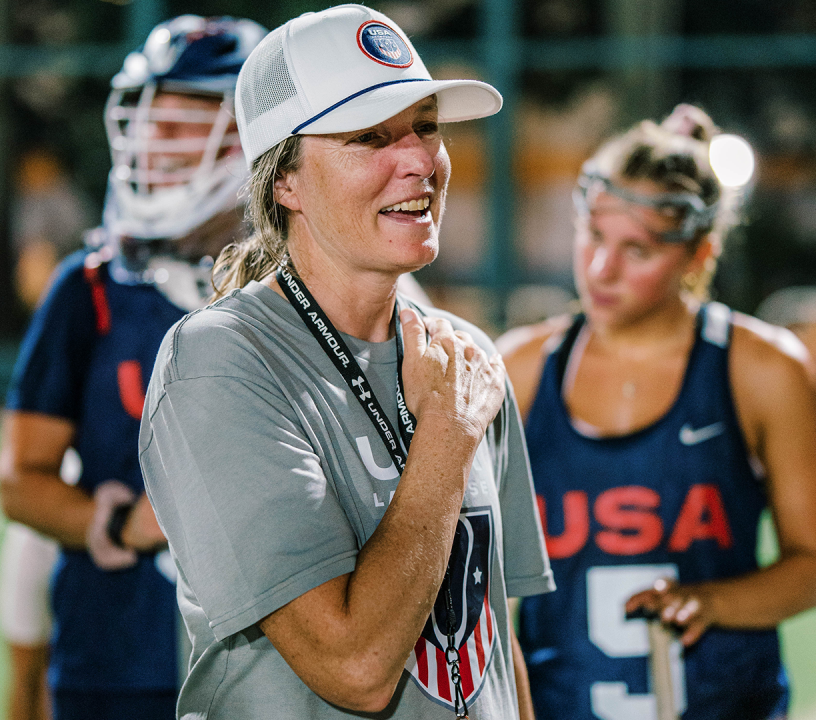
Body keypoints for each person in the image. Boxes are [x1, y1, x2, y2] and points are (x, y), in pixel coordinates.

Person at [138, 5, 554, 718]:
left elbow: (490, 647)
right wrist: (445, 439)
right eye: (370, 137)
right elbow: (352, 665)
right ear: (284, 182)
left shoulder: (466, 356)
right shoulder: (220, 363)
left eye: (426, 126)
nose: (420, 160)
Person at [499, 105, 816, 720]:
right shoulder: (518, 368)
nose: (602, 270)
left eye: (638, 249)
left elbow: (814, 568)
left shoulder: (761, 369)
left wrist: (711, 602)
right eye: (594, 236)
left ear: (697, 254)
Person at [0, 15, 267, 720]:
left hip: (275, 655)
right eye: (149, 122)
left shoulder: (311, 289)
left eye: (182, 125)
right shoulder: (90, 288)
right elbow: (21, 483)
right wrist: (121, 526)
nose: (154, 145)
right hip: (118, 653)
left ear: (257, 140)